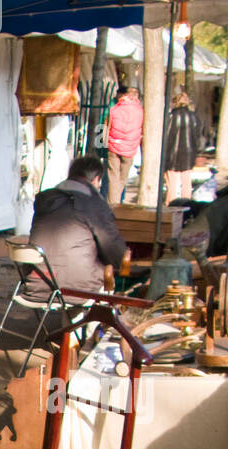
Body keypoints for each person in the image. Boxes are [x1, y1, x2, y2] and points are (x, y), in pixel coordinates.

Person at [28, 154, 128, 299]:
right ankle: (87, 320)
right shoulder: (94, 204)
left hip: (37, 281)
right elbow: (113, 249)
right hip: (76, 288)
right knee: (109, 271)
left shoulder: (46, 199)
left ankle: (72, 320)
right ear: (96, 180)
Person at [105, 86, 144, 205]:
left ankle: (112, 202)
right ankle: (116, 201)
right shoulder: (140, 111)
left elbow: (107, 125)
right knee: (123, 177)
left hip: (114, 146)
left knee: (113, 176)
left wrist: (106, 141)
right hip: (129, 148)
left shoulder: (115, 109)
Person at [164, 90, 202, 203]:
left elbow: (167, 135)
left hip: (172, 152)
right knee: (186, 181)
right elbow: (198, 136)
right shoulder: (194, 117)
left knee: (172, 182)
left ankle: (171, 202)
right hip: (189, 152)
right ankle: (186, 203)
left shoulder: (171, 117)